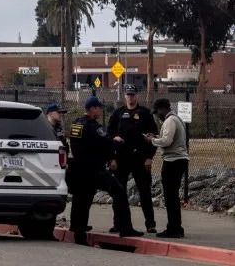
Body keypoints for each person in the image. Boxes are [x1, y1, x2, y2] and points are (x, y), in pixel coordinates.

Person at [68, 96, 144, 245]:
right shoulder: (93, 127)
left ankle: (78, 232)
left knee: (81, 200)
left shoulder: (76, 124)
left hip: (78, 169)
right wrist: (117, 142)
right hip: (94, 169)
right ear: (92, 109)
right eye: (99, 108)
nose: (100, 111)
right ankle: (125, 227)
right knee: (119, 191)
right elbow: (106, 144)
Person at [107, 84, 159, 233]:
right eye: (128, 95)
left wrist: (150, 157)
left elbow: (153, 136)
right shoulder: (117, 114)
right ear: (125, 96)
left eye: (133, 95)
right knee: (118, 191)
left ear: (137, 96)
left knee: (144, 192)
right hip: (121, 159)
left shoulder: (145, 113)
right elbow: (108, 136)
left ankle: (150, 224)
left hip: (140, 159)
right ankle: (118, 223)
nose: (130, 98)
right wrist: (112, 158)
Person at [146, 98, 189, 238]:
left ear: (163, 109)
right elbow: (168, 137)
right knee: (173, 196)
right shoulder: (177, 119)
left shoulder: (170, 121)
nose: (157, 115)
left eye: (157, 112)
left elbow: (166, 141)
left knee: (170, 196)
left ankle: (173, 228)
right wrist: (157, 136)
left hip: (173, 160)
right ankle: (177, 227)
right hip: (179, 159)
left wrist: (151, 140)